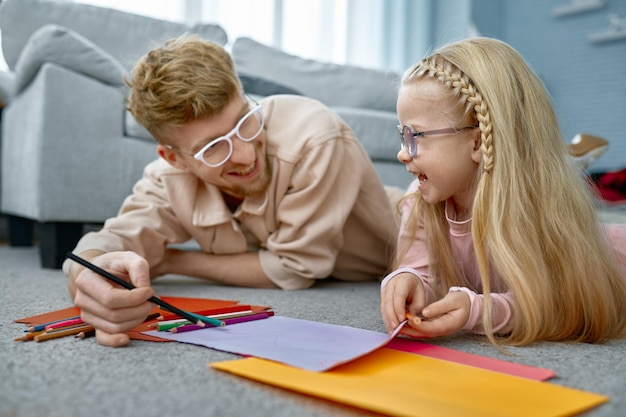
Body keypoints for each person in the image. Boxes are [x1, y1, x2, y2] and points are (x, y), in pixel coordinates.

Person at [63, 35, 402, 347]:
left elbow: (296, 270)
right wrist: (88, 275)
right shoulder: (168, 177)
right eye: (212, 147)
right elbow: (105, 244)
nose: (245, 155)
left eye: (244, 120)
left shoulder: (316, 136)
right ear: (174, 159)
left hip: (412, 232)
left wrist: (170, 260)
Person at [380, 37, 626, 347]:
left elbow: (559, 306)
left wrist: (480, 310)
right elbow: (420, 270)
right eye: (402, 137)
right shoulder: (420, 198)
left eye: (414, 137)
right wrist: (407, 280)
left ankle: (570, 158)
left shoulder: (537, 207)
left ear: (478, 142)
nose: (402, 154)